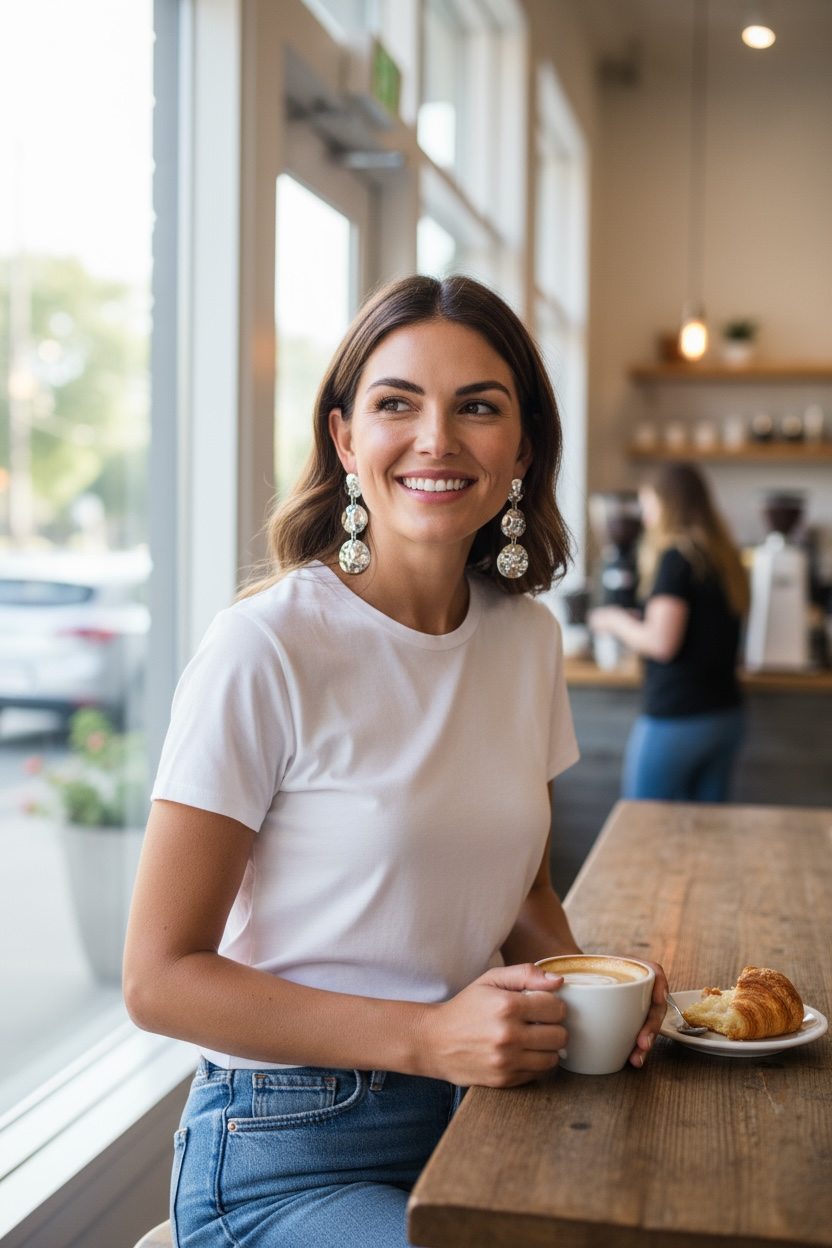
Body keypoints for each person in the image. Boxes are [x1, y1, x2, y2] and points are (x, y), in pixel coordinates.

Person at [124, 274, 667, 1248]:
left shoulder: (527, 640)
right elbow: (159, 980)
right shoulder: (265, 647)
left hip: (474, 1111)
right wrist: (425, 1036)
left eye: (478, 408)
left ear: (522, 447)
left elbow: (522, 899)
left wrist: (597, 990)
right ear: (343, 440)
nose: (437, 439)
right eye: (396, 404)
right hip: (281, 1146)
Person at [589, 461, 750, 802]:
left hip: (679, 718)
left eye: (649, 505)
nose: (645, 517)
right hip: (726, 716)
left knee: (640, 827)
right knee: (708, 832)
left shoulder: (677, 556)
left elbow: (662, 643)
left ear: (667, 504)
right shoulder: (723, 556)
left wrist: (614, 620)